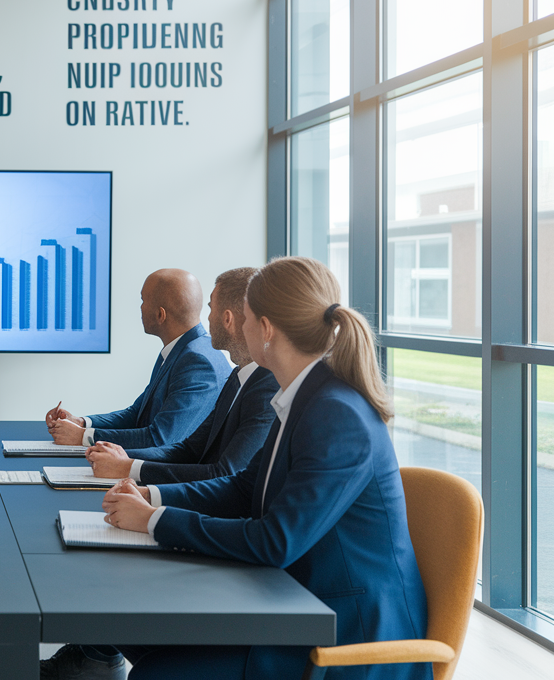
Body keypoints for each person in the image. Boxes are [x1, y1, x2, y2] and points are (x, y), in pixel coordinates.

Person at [49, 256, 430, 680]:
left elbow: (277, 540)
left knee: (156, 670)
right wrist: (150, 498)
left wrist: (156, 520)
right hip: (290, 601)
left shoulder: (336, 415)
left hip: (340, 629)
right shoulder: (306, 397)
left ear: (265, 328)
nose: (235, 327)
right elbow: (245, 486)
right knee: (129, 626)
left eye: (244, 317)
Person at [85, 267, 278, 484]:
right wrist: (121, 459)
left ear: (227, 319)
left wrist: (129, 468)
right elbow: (189, 449)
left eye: (210, 308)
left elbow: (223, 473)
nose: (206, 319)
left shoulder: (264, 386)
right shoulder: (238, 376)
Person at [46, 269, 231, 449]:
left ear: (161, 314)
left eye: (143, 300)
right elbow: (136, 414)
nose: (140, 308)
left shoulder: (198, 362)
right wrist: (81, 423)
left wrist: (83, 437)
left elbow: (160, 438)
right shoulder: (181, 352)